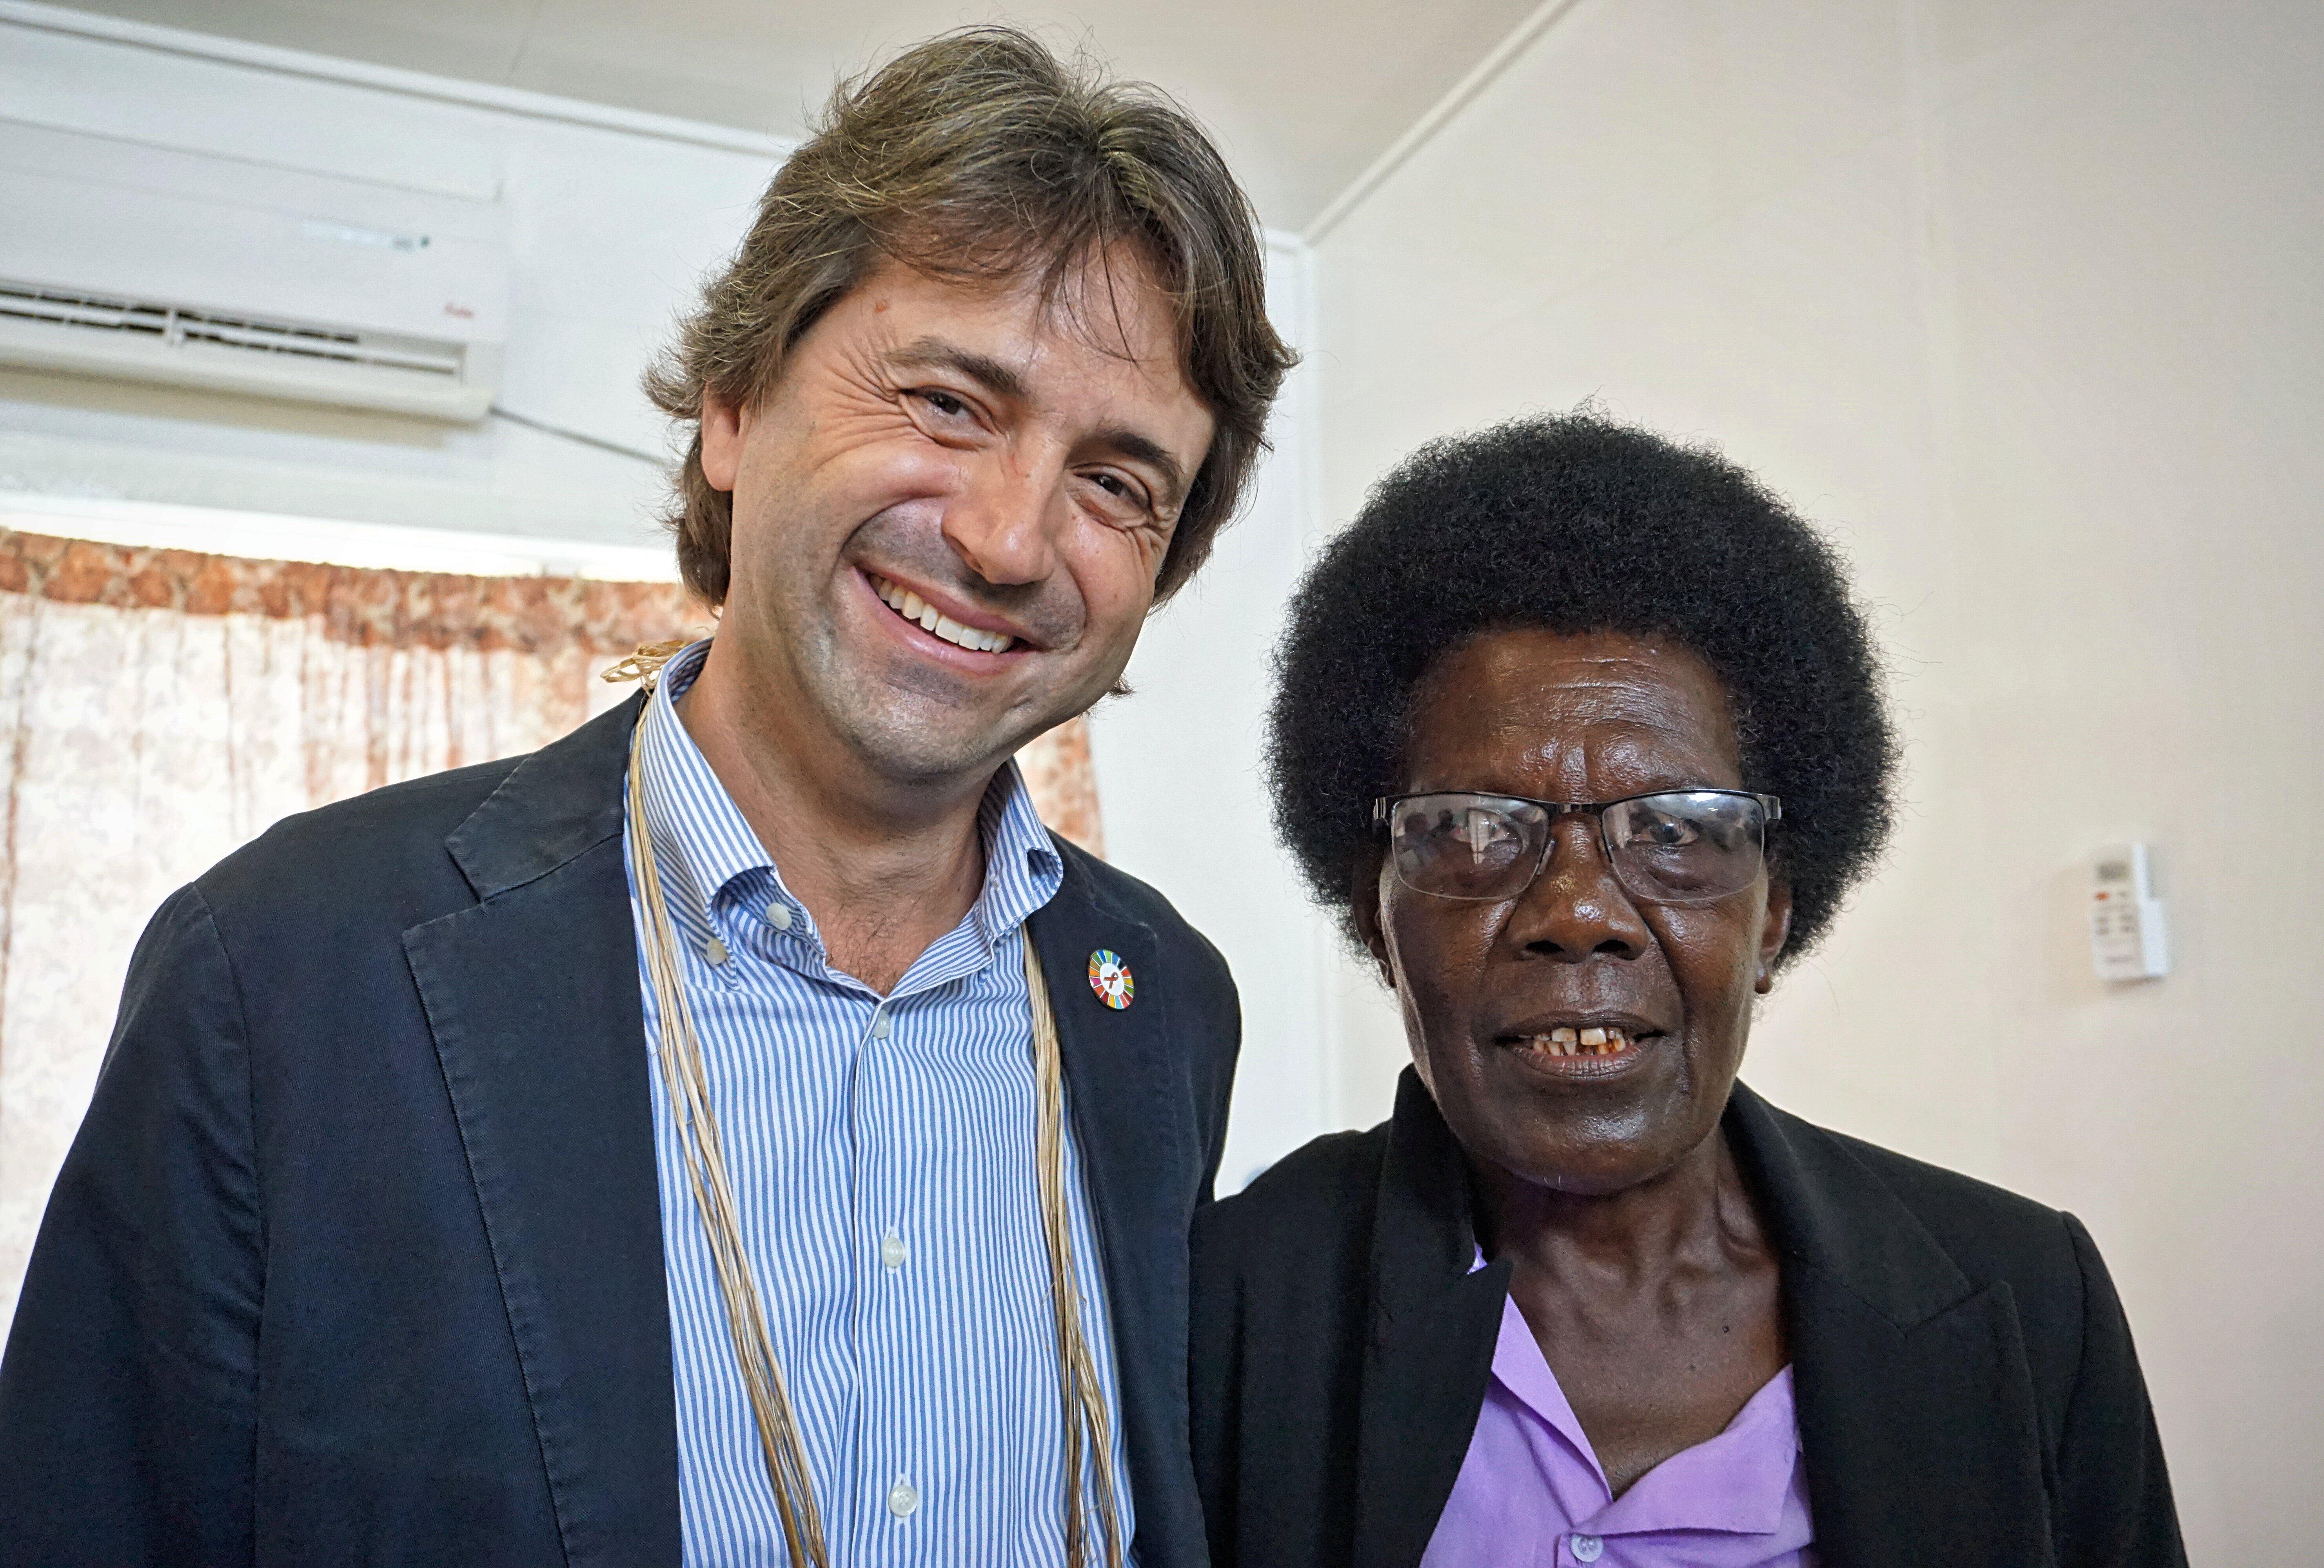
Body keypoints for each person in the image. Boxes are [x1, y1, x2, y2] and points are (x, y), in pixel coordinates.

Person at [0, 28, 1293, 1568]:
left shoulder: (1161, 1007)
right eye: (949, 401)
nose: (1013, 538)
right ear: (735, 407)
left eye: (1117, 483)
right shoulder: (281, 968)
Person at [1190, 413, 2186, 1567]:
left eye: (1674, 829)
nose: (1577, 913)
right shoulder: (1234, 1305)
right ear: (1378, 913)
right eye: (1472, 828)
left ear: (1772, 915)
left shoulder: (2024, 1302)